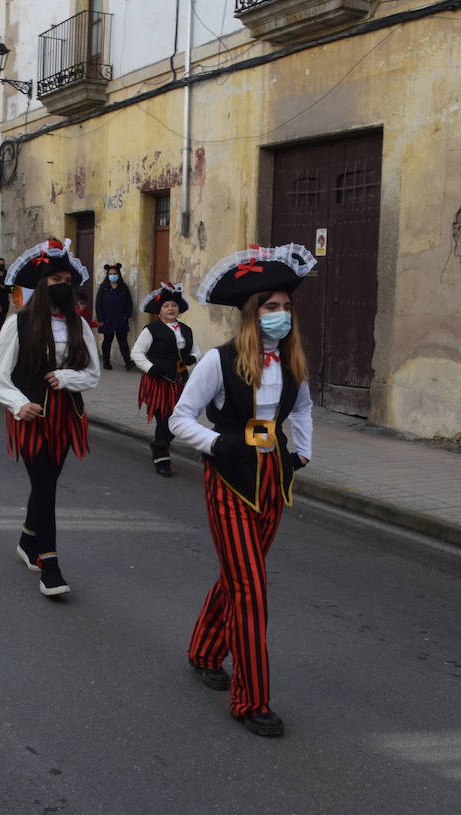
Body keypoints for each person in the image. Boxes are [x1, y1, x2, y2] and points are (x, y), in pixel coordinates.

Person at [169, 244, 316, 738]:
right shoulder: (220, 359)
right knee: (251, 588)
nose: (280, 315)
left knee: (239, 577)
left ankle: (205, 650)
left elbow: (302, 410)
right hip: (230, 481)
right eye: (270, 307)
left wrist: (302, 453)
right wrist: (216, 444)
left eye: (286, 307)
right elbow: (178, 419)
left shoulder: (293, 359)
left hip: (274, 480)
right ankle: (251, 699)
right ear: (252, 313)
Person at [0, 238, 100, 598]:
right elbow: (0, 380)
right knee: (46, 486)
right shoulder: (17, 324)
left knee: (46, 482)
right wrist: (19, 404)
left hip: (67, 416)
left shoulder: (79, 325)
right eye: (55, 279)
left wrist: (68, 378)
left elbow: (92, 373)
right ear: (41, 285)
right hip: (32, 417)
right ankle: (49, 564)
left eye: (66, 279)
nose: (62, 285)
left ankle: (27, 539)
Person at [132, 282, 200, 477]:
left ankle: (158, 444)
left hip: (179, 382)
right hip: (158, 381)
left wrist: (192, 359)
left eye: (174, 306)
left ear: (179, 309)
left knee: (178, 418)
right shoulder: (151, 329)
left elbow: (197, 351)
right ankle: (162, 456)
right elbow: (136, 353)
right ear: (159, 311)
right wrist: (150, 368)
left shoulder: (186, 329)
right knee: (164, 419)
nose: (171, 309)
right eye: (166, 306)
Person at [94, 262, 135, 371]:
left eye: (115, 273)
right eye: (111, 274)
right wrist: (100, 318)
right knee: (107, 341)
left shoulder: (123, 287)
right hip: (107, 319)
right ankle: (106, 362)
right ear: (108, 275)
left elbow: (129, 302)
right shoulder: (103, 287)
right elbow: (98, 304)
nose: (113, 275)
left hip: (121, 319)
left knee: (123, 341)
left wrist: (127, 315)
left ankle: (128, 363)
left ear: (119, 274)